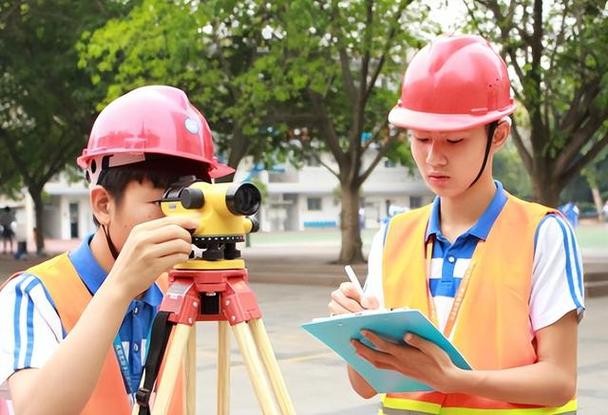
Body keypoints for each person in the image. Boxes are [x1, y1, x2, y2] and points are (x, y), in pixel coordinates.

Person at [329, 35, 584, 414]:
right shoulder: (393, 235)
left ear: (498, 135)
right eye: (421, 138)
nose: (434, 158)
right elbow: (366, 386)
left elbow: (559, 381)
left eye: (453, 140)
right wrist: (353, 332)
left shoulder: (543, 233)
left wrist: (454, 380)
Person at [0, 85, 234, 414]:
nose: (183, 221)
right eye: (166, 202)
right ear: (103, 205)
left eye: (193, 202)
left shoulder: (175, 288)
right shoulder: (33, 294)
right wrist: (119, 288)